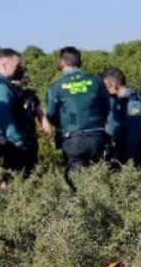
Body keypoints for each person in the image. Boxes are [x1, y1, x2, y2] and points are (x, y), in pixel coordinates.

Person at [46, 47, 111, 183]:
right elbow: (107, 107)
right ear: (80, 62)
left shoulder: (55, 87)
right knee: (98, 179)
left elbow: (51, 115)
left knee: (76, 181)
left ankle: (80, 202)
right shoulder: (96, 81)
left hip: (72, 139)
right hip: (97, 137)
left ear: (62, 62)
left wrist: (61, 125)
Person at [0, 49, 37, 175]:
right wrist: (19, 143)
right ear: (4, 65)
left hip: (0, 141)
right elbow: (4, 119)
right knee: (16, 185)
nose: (19, 69)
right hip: (8, 143)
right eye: (16, 65)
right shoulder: (0, 87)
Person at [103, 68, 141, 166]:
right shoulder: (113, 100)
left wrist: (128, 160)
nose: (104, 89)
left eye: (105, 86)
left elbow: (134, 132)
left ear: (113, 85)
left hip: (124, 156)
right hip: (112, 152)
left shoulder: (133, 102)